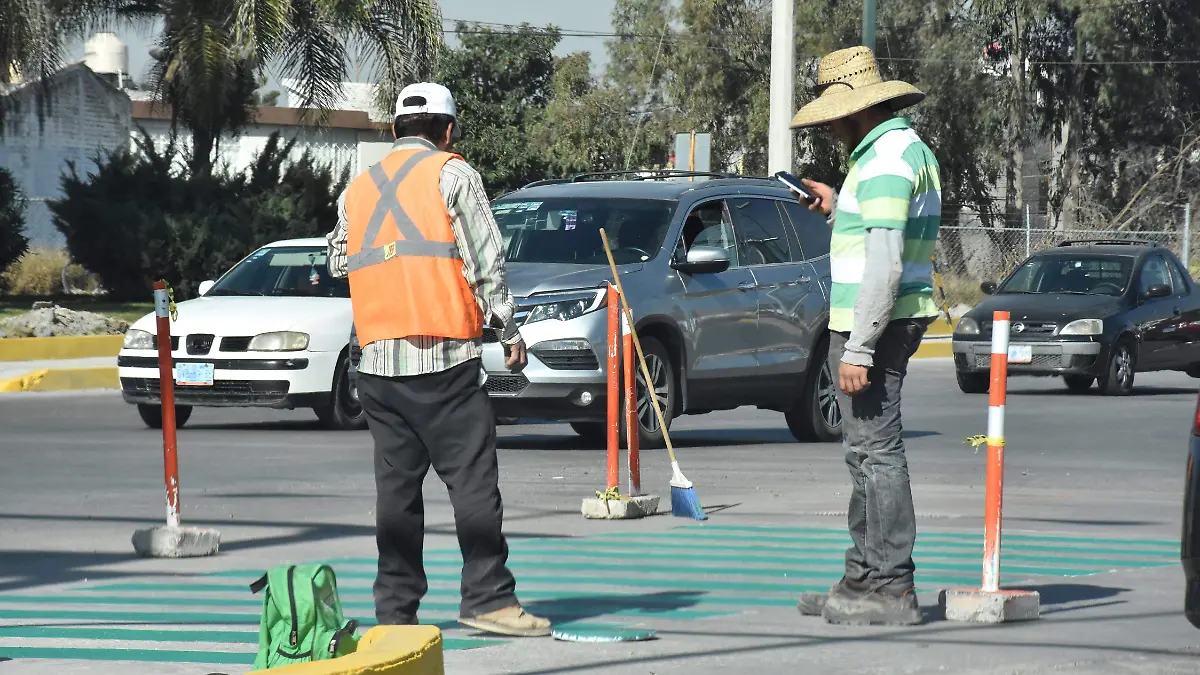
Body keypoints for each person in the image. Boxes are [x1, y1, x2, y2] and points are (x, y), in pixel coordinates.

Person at [326, 82, 551, 637]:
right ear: (448, 130)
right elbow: (486, 263)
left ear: (395, 130)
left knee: (397, 496)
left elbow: (336, 260)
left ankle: (395, 614)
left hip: (376, 363)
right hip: (443, 357)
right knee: (473, 483)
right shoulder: (454, 175)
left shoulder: (358, 187)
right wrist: (508, 329)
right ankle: (488, 599)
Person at [788, 46, 942, 626]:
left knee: (876, 451)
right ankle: (865, 574)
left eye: (833, 114)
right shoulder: (896, 152)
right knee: (864, 452)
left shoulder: (883, 161)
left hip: (872, 323)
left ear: (854, 110)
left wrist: (859, 347)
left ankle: (890, 586)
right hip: (879, 319)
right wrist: (836, 204)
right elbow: (881, 234)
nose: (829, 125)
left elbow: (884, 263)